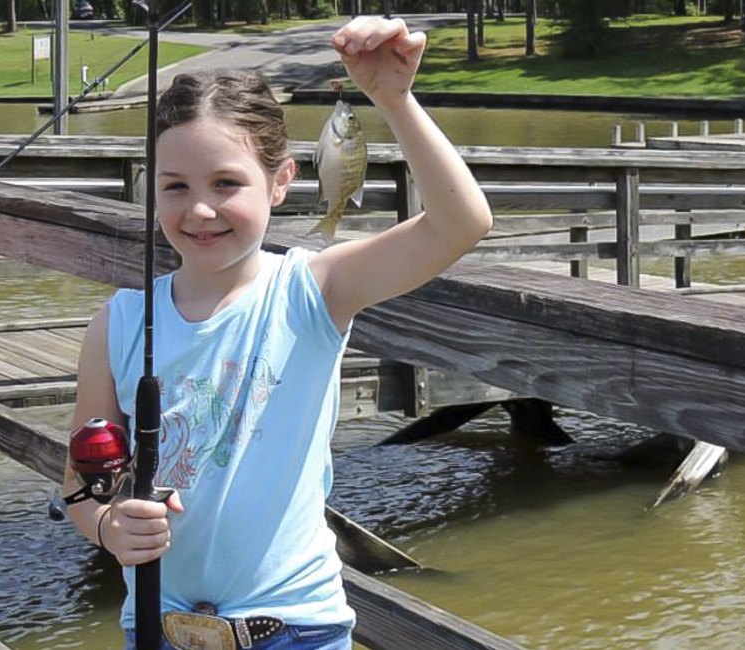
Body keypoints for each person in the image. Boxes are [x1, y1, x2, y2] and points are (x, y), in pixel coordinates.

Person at [62, 15, 493, 650]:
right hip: (157, 627)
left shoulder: (313, 290)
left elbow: (460, 224)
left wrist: (394, 100)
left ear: (282, 181)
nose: (199, 209)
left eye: (226, 183)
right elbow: (77, 484)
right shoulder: (118, 323)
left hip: (298, 629)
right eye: (174, 186)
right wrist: (106, 527)